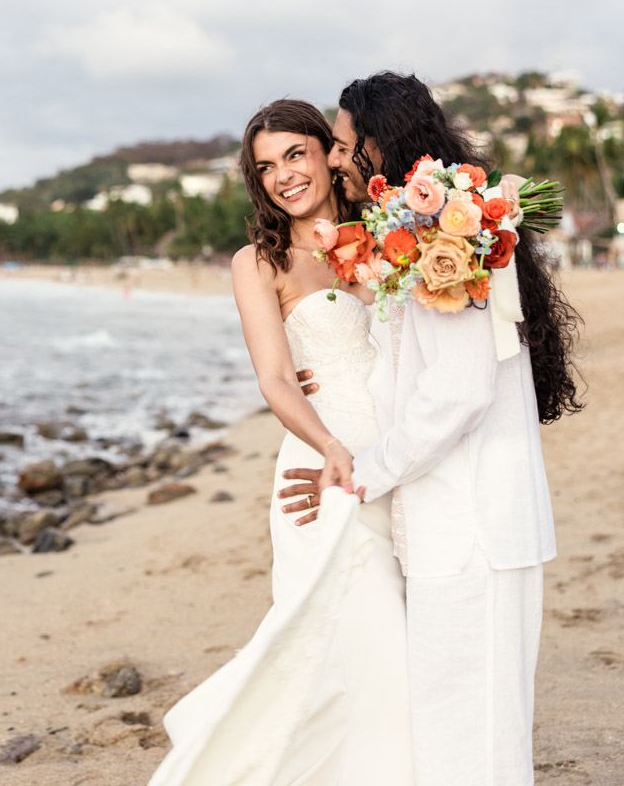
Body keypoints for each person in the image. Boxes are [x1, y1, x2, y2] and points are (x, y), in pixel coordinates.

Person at [287, 72, 583, 786]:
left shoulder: (434, 240)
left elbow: (455, 391)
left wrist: (362, 470)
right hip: (458, 518)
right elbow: (412, 365)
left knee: (472, 735)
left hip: (471, 521)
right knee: (460, 726)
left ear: (378, 145)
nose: (332, 159)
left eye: (343, 145)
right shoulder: (419, 234)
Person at [147, 98, 415, 786]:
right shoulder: (257, 262)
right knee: (357, 627)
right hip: (323, 469)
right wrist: (329, 446)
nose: (282, 175)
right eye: (264, 166)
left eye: (294, 154)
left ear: (329, 152)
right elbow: (274, 380)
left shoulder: (390, 238)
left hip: (404, 461)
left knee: (403, 635)